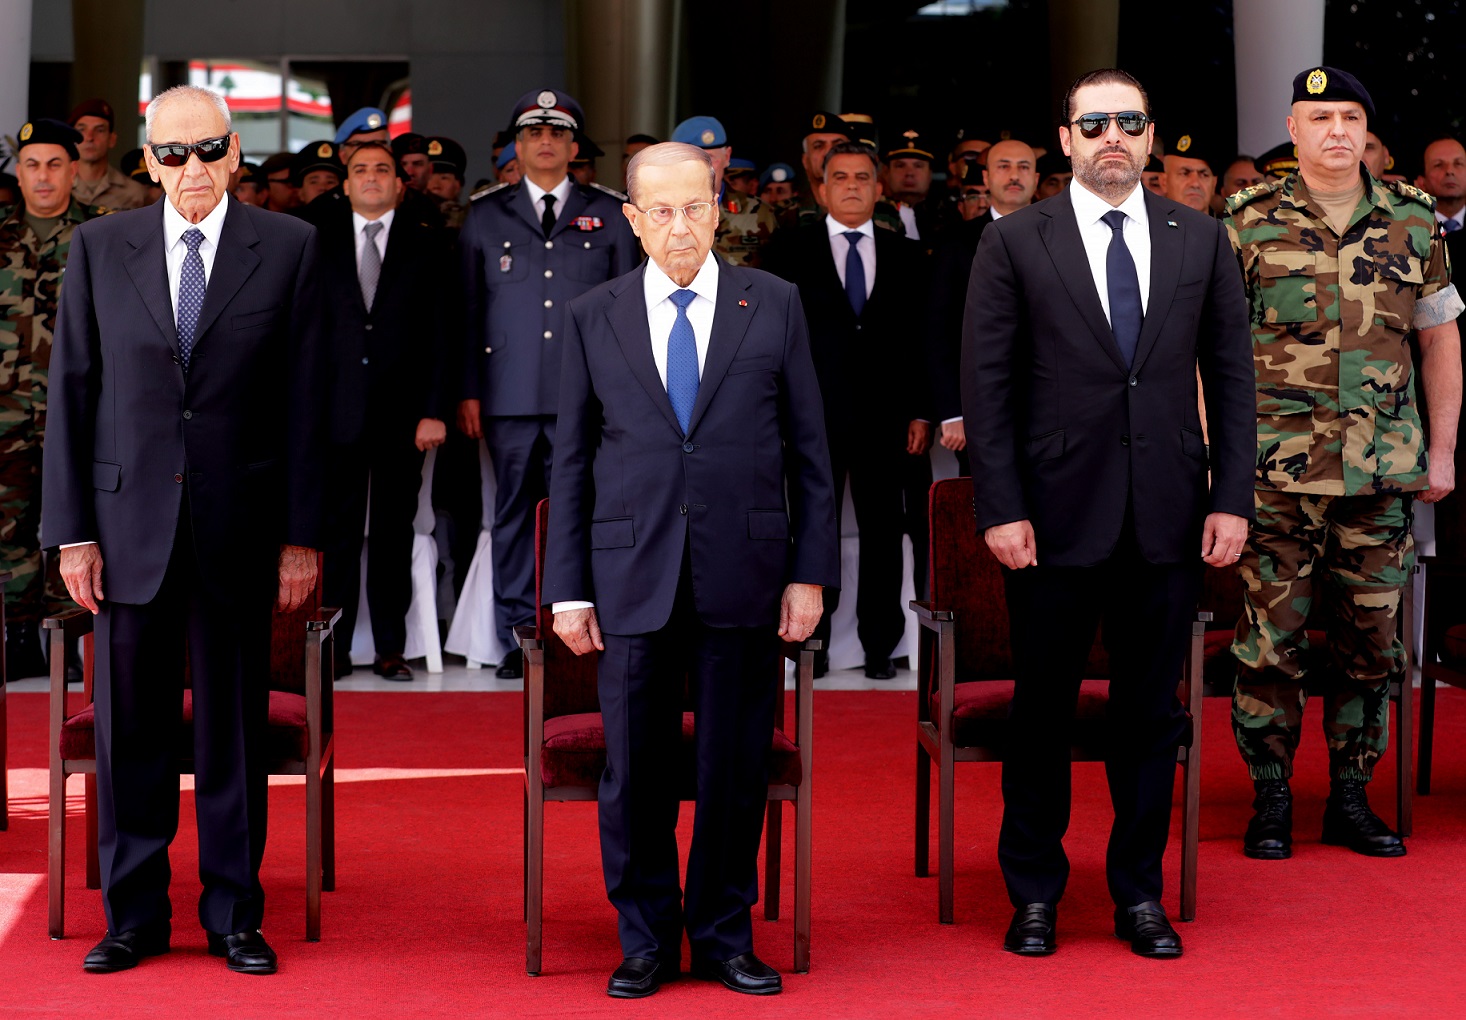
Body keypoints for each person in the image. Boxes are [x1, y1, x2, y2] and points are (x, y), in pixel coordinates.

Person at [965, 68, 1255, 959]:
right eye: (1096, 124)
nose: (1113, 137)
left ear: (1152, 133)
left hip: (1169, 516)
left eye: (1129, 121)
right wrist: (1001, 507)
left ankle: (1138, 893)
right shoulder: (1016, 240)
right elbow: (989, 385)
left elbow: (1234, 378)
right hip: (1051, 519)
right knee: (1043, 713)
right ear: (1067, 139)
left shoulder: (1200, 237)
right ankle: (1036, 895)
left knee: (1148, 718)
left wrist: (1232, 498)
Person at [43, 84, 326, 976]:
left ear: (235, 153)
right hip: (125, 531)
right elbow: (72, 399)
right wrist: (71, 533)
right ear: (146, 160)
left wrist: (300, 535)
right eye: (172, 154)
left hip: (240, 529)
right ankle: (133, 916)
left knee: (231, 736)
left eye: (207, 151)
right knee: (132, 731)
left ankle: (235, 914)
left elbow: (307, 406)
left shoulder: (290, 248)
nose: (191, 170)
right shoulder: (97, 248)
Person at [545, 141, 837, 999]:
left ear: (721, 210)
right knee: (633, 772)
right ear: (632, 221)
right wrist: (567, 588)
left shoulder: (773, 303)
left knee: (732, 767)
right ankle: (644, 939)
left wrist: (809, 572)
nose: (681, 228)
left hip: (743, 571)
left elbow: (812, 453)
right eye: (661, 212)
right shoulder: (596, 313)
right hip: (629, 573)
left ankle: (722, 935)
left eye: (696, 208)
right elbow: (570, 461)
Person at [1225, 67, 1463, 861]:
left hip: (1380, 474)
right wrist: (1215, 460)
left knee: (1372, 643)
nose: (1335, 130)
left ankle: (1352, 797)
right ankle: (1271, 797)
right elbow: (1208, 353)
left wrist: (1444, 450)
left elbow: (1439, 341)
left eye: (1350, 117)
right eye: (1318, 116)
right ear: (1292, 129)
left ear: (1367, 134)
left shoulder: (1414, 221)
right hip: (1272, 474)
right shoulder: (1246, 222)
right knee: (1270, 645)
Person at [457, 88, 640, 679]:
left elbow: (625, 312)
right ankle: (521, 633)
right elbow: (465, 313)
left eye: (557, 133)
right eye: (534, 133)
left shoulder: (610, 213)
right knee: (511, 513)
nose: (545, 141)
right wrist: (468, 391)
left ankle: (576, 626)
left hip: (584, 397)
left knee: (581, 509)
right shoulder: (485, 213)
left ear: (574, 145)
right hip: (508, 393)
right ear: (516, 143)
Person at [763, 139, 932, 679]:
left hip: (888, 422)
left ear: (879, 188)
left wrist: (922, 412)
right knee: (814, 528)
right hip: (813, 419)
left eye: (863, 177)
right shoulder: (789, 249)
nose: (853, 186)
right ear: (821, 187)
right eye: (841, 177)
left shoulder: (907, 254)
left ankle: (879, 646)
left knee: (885, 531)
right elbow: (771, 342)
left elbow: (922, 343)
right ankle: (811, 645)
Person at [318, 140, 453, 682]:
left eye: (382, 170)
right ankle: (335, 649)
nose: (371, 178)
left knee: (395, 532)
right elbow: (304, 336)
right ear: (344, 184)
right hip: (336, 414)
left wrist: (434, 410)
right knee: (338, 535)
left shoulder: (429, 243)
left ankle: (391, 650)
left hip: (404, 416)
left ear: (401, 184)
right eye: (360, 170)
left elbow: (445, 333)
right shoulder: (316, 244)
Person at [0, 119, 102, 680]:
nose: (43, 176)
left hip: (77, 413)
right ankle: (17, 639)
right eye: (33, 164)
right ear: (18, 172)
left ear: (74, 170)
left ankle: (67, 640)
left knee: (73, 522)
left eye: (55, 164)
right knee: (8, 527)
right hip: (5, 412)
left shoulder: (102, 237)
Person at [671, 115, 779, 268]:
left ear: (727, 156)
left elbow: (775, 281)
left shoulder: (760, 213)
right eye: (691, 160)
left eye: (710, 158)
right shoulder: (655, 214)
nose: (701, 168)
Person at [70, 98, 149, 211]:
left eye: (100, 130)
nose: (89, 137)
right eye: (82, 129)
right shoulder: (57, 187)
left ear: (112, 139)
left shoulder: (135, 193)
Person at [1161, 130, 1219, 214]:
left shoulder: (1227, 227)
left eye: (1204, 175)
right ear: (1164, 182)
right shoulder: (1146, 226)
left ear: (1214, 184)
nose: (1195, 184)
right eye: (1185, 173)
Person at [1420, 136, 1466, 234]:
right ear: (1422, 182)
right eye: (1438, 165)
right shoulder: (1409, 229)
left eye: (1458, 163)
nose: (1449, 171)